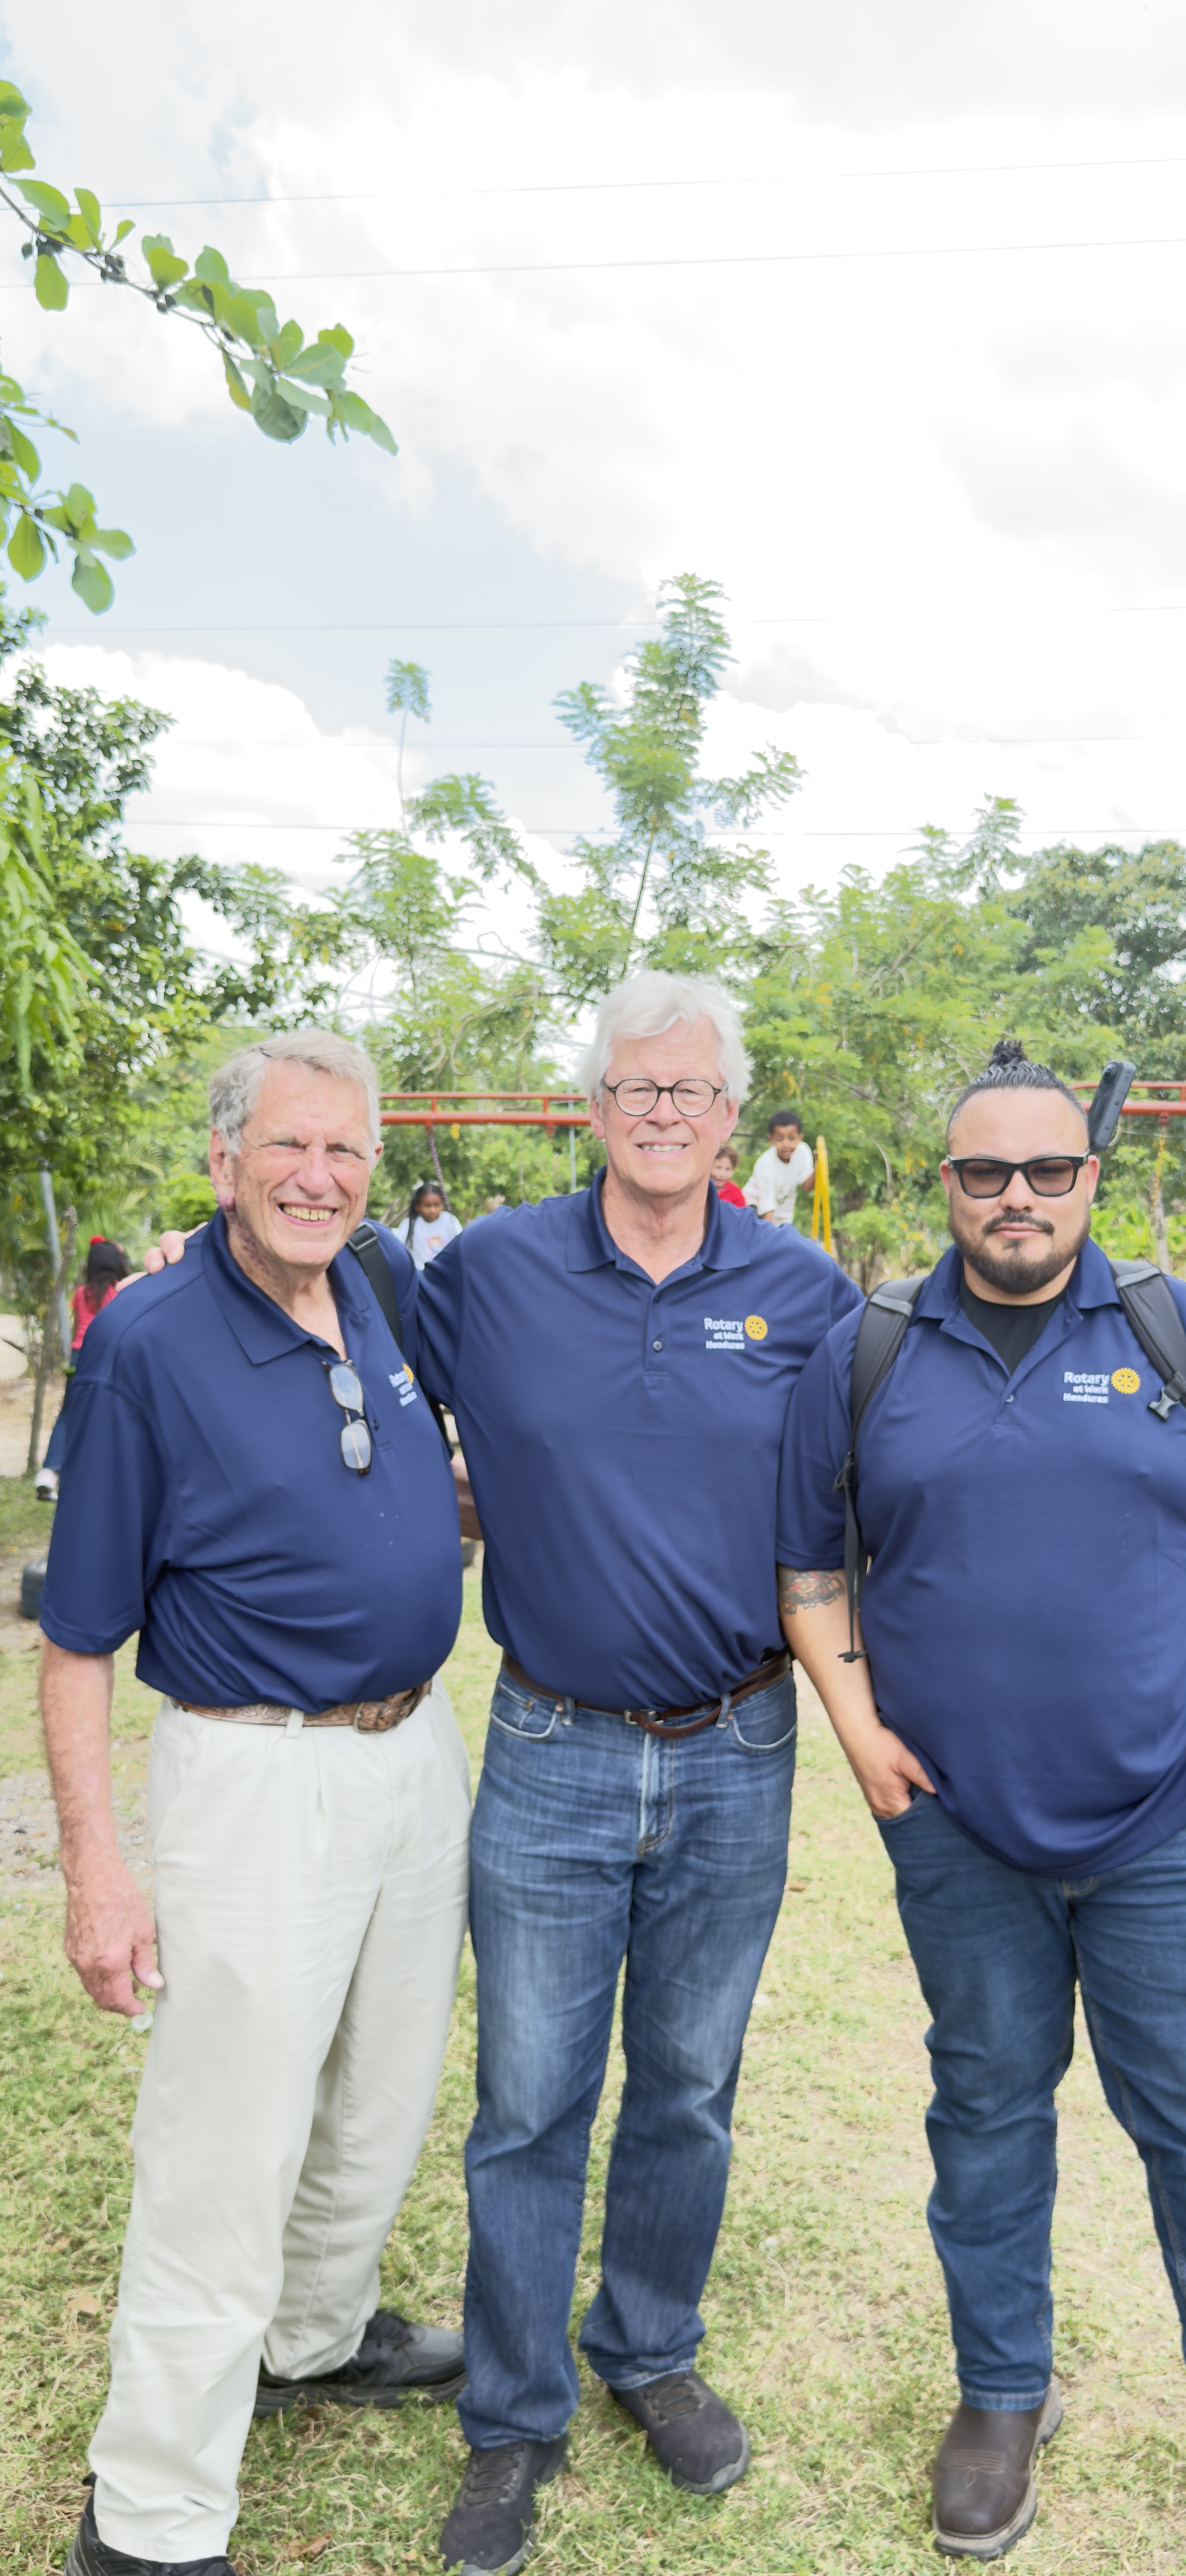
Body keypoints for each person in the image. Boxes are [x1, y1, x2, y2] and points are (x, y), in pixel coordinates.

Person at [775, 1036, 1186, 2576]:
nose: (1016, 1197)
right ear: (946, 1187)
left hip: (1172, 1825)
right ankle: (997, 2402)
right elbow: (810, 1565)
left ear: (1088, 1180)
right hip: (960, 1832)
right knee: (984, 2115)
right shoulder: (872, 1346)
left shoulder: (1181, 1332)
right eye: (984, 1172)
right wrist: (856, 1725)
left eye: (1047, 1170)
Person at [409, 970, 861, 2576]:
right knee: (530, 2099)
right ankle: (513, 2415)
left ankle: (648, 2346)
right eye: (631, 1087)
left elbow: (883, 1485)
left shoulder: (806, 1291)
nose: (660, 1112)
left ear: (734, 1114)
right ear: (591, 1106)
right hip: (550, 1744)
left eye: (689, 1089)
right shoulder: (491, 1271)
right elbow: (330, 1333)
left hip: (741, 1747)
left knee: (687, 2084)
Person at [41, 1030, 473, 2576]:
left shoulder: (385, 1287)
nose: (319, 1178)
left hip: (416, 1755)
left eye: (346, 1151)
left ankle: (313, 2336)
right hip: (255, 1771)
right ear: (224, 1160)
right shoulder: (146, 1341)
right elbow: (79, 1640)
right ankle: (150, 2518)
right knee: (226, 2143)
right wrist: (100, 1868)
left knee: (381, 2094)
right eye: (287, 1147)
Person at [35, 1235, 130, 1499]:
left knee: (68, 1414)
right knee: (106, 1415)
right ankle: (96, 1478)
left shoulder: (81, 1294)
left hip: (79, 1357)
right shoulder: (120, 1292)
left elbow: (80, 1328)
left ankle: (48, 1473)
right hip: (107, 1356)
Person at [742, 1111, 813, 1226]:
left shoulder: (803, 1151)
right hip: (753, 1210)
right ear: (771, 1139)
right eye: (780, 1139)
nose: (786, 1145)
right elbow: (766, 1208)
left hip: (781, 1216)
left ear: (800, 1138)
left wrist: (819, 1166)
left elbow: (807, 1187)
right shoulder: (766, 1164)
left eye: (791, 1139)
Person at [404, 1176, 464, 1269]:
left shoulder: (449, 1220)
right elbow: (399, 1249)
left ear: (443, 1205)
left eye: (437, 1205)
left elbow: (461, 1244)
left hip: (446, 1270)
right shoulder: (410, 1224)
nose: (433, 1210)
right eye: (427, 1206)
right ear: (418, 1207)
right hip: (420, 1274)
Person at [710, 1143, 748, 1208]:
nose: (722, 1175)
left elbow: (742, 1214)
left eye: (728, 1170)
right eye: (718, 1168)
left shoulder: (735, 1192)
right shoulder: (701, 1188)